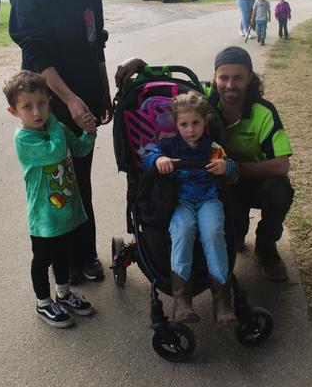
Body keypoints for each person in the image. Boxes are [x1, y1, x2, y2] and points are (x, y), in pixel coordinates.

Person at [115, 46, 294, 282]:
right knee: (233, 235)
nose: (230, 85)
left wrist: (230, 165)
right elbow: (167, 84)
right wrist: (137, 62)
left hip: (250, 181)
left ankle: (266, 246)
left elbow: (281, 166)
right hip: (217, 182)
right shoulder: (202, 96)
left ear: (250, 78)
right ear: (215, 77)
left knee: (281, 190)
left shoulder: (264, 112)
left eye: (238, 78)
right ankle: (235, 234)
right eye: (224, 77)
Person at [9, 0, 112, 284]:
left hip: (84, 92)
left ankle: (86, 254)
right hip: (49, 100)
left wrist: (104, 91)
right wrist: (68, 99)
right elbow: (37, 54)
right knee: (57, 180)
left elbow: (95, 41)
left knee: (80, 176)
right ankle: (62, 262)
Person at [3, 70, 96, 328]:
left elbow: (79, 148)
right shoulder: (25, 138)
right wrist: (56, 123)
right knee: (43, 260)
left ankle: (63, 294)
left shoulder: (56, 129)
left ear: (48, 102)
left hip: (66, 212)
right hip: (44, 219)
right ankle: (43, 303)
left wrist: (89, 132)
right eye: (27, 107)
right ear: (14, 112)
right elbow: (55, 152)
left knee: (62, 256)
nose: (37, 113)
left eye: (42, 104)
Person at [143, 92, 238, 325]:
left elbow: (233, 170)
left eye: (195, 123)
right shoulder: (168, 145)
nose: (190, 129)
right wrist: (158, 160)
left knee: (214, 232)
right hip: (180, 200)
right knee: (183, 230)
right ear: (176, 125)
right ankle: (182, 301)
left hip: (208, 199)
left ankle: (223, 301)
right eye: (184, 124)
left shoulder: (212, 148)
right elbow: (146, 152)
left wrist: (225, 167)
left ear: (205, 122)